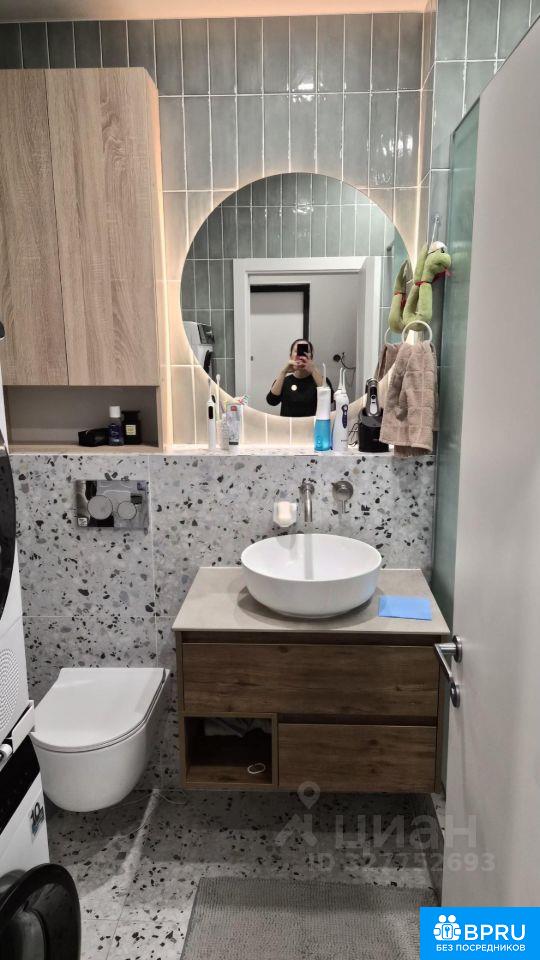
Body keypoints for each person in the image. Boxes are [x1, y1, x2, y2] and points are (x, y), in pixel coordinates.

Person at [266, 339, 334, 417]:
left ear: (311, 357)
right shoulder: (284, 381)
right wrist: (283, 372)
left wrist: (313, 370)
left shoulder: (320, 380)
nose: (301, 355)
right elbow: (272, 401)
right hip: (289, 424)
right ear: (291, 356)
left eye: (306, 351)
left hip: (313, 424)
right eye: (297, 351)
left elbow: (330, 399)